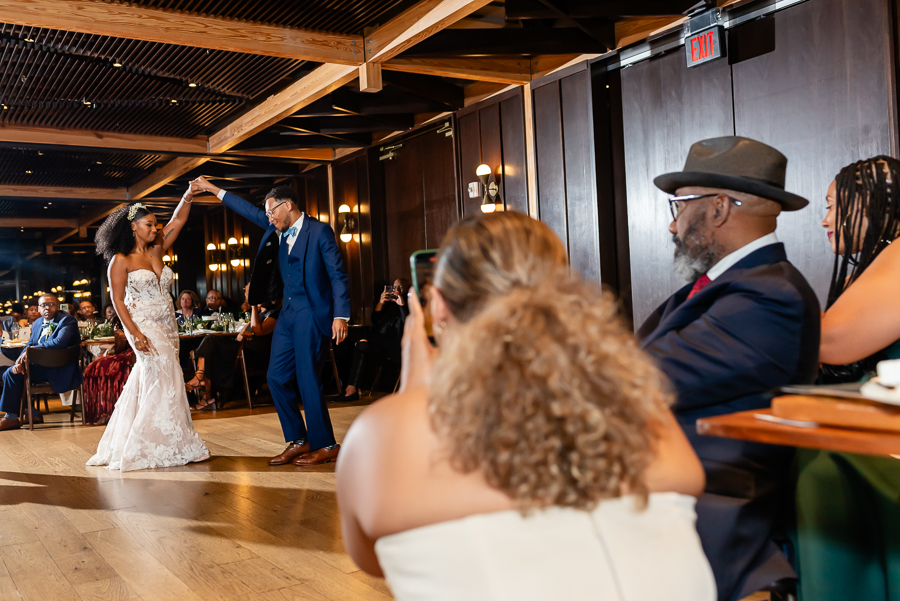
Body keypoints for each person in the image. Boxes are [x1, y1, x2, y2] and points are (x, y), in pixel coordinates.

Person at [336, 212, 715, 600]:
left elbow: (375, 558)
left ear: (438, 306)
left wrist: (414, 403)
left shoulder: (381, 435)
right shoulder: (640, 402)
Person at [636, 136, 821, 601]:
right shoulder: (720, 287)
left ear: (718, 208)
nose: (674, 226)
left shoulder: (771, 296)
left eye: (679, 206)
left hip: (710, 508)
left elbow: (643, 379)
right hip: (654, 484)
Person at [793, 155, 900, 601]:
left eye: (835, 206)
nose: (825, 220)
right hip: (870, 432)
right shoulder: (869, 267)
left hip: (886, 442)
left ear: (870, 202)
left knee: (820, 478)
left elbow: (832, 343)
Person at [192, 176, 350, 466]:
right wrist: (214, 190)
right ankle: (299, 441)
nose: (268, 218)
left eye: (271, 212)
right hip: (287, 314)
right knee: (276, 377)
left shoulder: (319, 232)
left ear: (287, 205)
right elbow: (247, 210)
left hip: (312, 315)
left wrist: (341, 315)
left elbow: (338, 275)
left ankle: (326, 445)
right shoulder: (276, 229)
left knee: (307, 379)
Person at [86, 185, 209, 471]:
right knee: (166, 375)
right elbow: (117, 301)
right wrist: (136, 333)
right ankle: (153, 444)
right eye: (149, 224)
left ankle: (167, 439)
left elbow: (178, 220)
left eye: (155, 224)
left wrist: (188, 194)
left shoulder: (157, 248)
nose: (156, 228)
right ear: (133, 227)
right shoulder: (120, 260)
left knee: (162, 376)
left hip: (168, 324)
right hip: (142, 325)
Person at [188, 285, 281, 411]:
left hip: (253, 355)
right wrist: (244, 331)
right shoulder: (258, 313)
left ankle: (202, 384)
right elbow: (239, 336)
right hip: (241, 348)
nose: (254, 298)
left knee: (211, 343)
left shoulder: (274, 314)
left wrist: (252, 307)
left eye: (257, 296)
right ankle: (205, 390)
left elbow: (258, 330)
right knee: (210, 347)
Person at [0, 294, 82, 430]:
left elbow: (59, 342)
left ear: (57, 306)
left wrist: (30, 351)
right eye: (43, 305)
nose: (47, 308)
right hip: (40, 367)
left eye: (51, 304)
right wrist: (20, 361)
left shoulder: (67, 320)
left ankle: (20, 415)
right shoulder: (38, 322)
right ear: (39, 308)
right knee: (12, 373)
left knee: (10, 374)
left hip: (60, 368)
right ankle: (21, 415)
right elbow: (29, 344)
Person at [336, 278, 410, 402]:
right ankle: (349, 389)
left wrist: (402, 305)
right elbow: (375, 320)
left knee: (357, 336)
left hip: (394, 344)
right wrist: (381, 302)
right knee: (359, 344)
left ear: (406, 290)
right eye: (394, 286)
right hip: (377, 339)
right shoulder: (389, 304)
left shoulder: (409, 303)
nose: (396, 290)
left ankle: (350, 391)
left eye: (399, 287)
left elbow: (408, 323)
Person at [82, 328, 135, 425]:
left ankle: (111, 412)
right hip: (127, 348)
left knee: (108, 366)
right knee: (95, 366)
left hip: (135, 350)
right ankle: (101, 411)